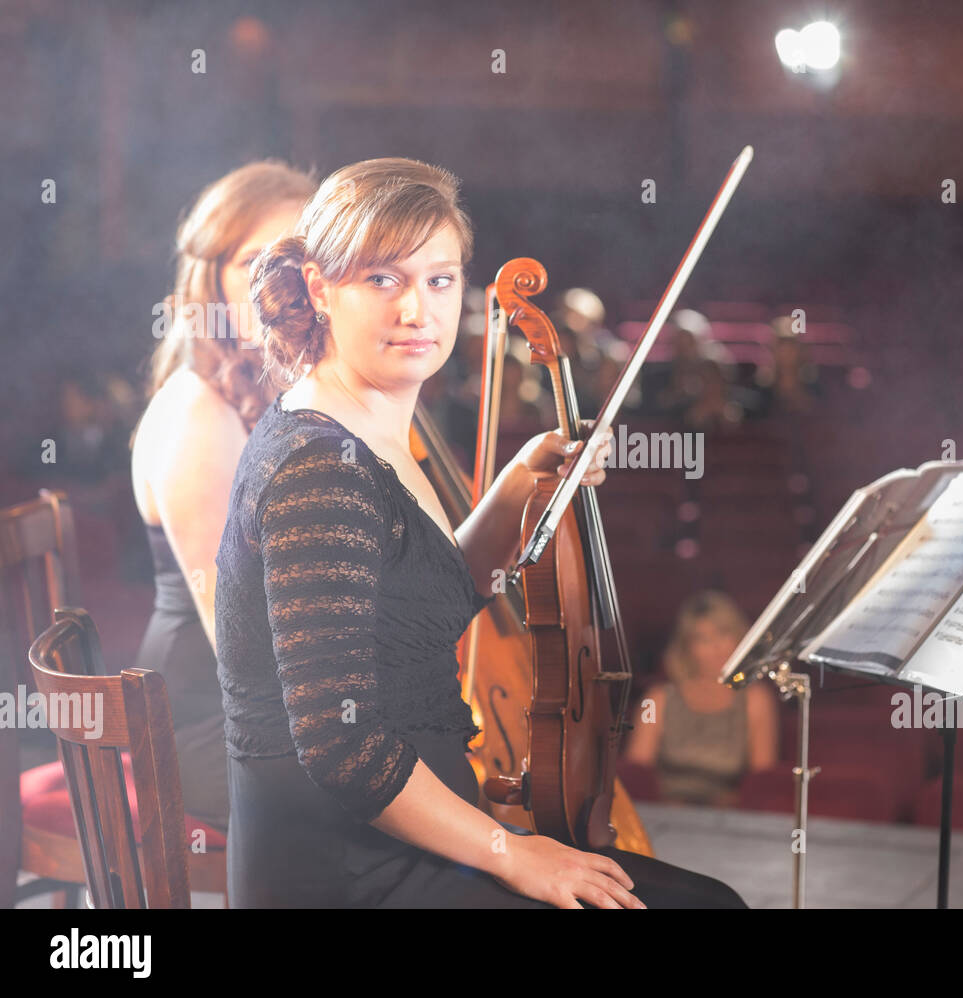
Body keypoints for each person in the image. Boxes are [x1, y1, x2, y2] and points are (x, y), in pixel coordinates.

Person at [216, 157, 747, 908]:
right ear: (320, 289)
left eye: (438, 280)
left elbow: (414, 615)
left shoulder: (370, 433)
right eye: (382, 279)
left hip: (413, 833)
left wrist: (518, 486)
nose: (417, 311)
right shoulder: (318, 469)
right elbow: (341, 747)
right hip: (344, 867)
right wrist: (512, 854)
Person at [129, 160, 315, 833]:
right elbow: (244, 644)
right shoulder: (196, 413)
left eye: (301, 261)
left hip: (283, 702)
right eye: (255, 264)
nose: (284, 287)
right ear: (210, 284)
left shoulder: (291, 398)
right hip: (216, 725)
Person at [625, 591, 779, 806]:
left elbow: (762, 779)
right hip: (663, 813)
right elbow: (636, 772)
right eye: (703, 639)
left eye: (722, 634)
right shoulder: (655, 700)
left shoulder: (757, 700)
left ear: (739, 638)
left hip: (728, 819)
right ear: (686, 648)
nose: (716, 647)